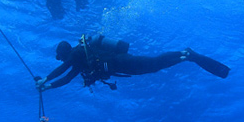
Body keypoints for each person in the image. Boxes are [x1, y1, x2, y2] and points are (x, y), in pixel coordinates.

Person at [35, 35, 230, 91]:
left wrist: (46, 80)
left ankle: (185, 53)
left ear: (65, 52)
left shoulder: (77, 54)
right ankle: (185, 56)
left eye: (60, 56)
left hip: (119, 61)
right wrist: (48, 84)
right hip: (120, 65)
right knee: (153, 67)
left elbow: (64, 71)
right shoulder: (79, 58)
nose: (61, 60)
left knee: (153, 63)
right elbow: (68, 75)